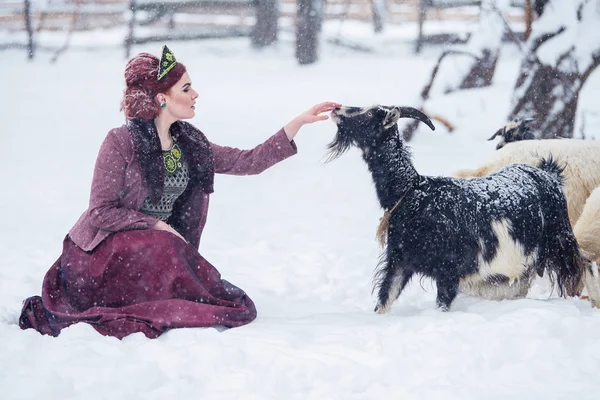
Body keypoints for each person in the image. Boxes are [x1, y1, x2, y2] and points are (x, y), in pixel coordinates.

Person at [19, 45, 340, 339]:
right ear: (161, 98)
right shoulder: (120, 141)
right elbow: (100, 212)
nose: (196, 94)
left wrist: (296, 123)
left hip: (151, 253)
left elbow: (249, 161)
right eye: (186, 88)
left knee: (202, 283)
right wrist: (157, 225)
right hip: (98, 256)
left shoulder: (191, 145)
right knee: (164, 248)